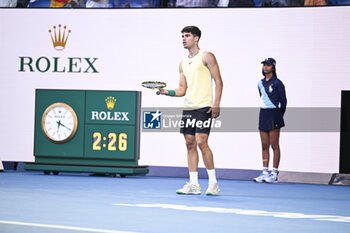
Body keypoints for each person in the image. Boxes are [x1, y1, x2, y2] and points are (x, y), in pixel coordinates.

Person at [159, 26, 223, 195]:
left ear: (196, 38)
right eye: (182, 36)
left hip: (204, 106)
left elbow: (219, 81)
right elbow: (182, 89)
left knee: (202, 142)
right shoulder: (182, 63)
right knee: (189, 144)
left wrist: (216, 103)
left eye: (187, 36)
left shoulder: (207, 56)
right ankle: (194, 184)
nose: (183, 38)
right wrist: (168, 92)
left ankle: (213, 183)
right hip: (189, 108)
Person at [254, 58, 287, 184]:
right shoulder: (260, 83)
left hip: (274, 113)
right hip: (263, 113)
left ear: (273, 67)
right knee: (264, 144)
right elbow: (262, 97)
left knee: (274, 144)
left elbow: (283, 102)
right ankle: (265, 171)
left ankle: (274, 172)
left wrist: (279, 115)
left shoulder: (278, 83)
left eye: (268, 65)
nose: (265, 67)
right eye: (264, 65)